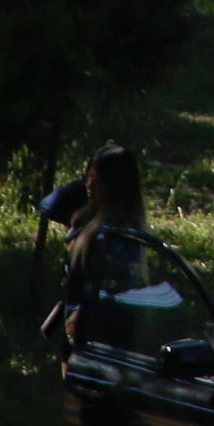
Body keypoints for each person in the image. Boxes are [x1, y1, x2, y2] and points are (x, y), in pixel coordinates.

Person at [41, 143, 147, 348]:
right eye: (87, 178)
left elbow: (113, 290)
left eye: (96, 181)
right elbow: (49, 205)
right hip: (77, 327)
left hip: (100, 336)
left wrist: (81, 314)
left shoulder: (121, 233)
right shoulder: (88, 216)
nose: (88, 186)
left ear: (114, 187)